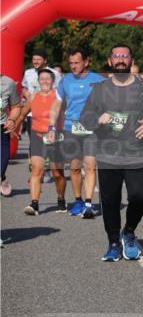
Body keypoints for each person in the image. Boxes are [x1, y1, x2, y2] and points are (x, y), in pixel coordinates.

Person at [78, 45, 143, 261]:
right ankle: (113, 243)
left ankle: (128, 230)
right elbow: (85, 117)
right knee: (110, 200)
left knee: (139, 196)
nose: (120, 60)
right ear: (110, 61)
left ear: (131, 60)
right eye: (116, 56)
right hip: (108, 155)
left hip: (138, 154)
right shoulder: (99, 89)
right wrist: (96, 120)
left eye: (124, 56)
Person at [51, 48, 104, 218]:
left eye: (77, 62)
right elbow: (56, 106)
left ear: (86, 62)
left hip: (91, 129)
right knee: (74, 167)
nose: (73, 66)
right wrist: (52, 127)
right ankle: (78, 200)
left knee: (90, 166)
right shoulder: (65, 81)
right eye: (71, 63)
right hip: (70, 128)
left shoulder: (98, 80)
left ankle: (88, 204)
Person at [13, 69, 67, 214]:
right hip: (37, 137)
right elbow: (23, 114)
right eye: (41, 79)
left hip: (56, 138)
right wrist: (14, 128)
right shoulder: (33, 97)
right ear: (38, 81)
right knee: (37, 171)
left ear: (53, 81)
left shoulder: (59, 96)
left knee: (57, 173)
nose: (44, 81)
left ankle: (61, 198)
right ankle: (34, 204)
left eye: (47, 79)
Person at [20, 49, 60, 135]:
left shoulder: (55, 73)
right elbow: (24, 87)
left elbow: (60, 91)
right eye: (34, 59)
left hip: (48, 115)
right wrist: (26, 94)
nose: (35, 62)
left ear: (45, 60)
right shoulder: (28, 73)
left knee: (48, 143)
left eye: (38, 59)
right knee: (34, 144)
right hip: (32, 114)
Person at [1, 74, 20, 199]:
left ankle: (1, 175)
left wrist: (12, 120)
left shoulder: (8, 83)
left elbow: (15, 107)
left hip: (2, 126)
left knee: (4, 157)